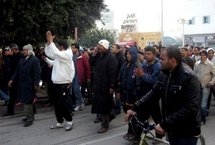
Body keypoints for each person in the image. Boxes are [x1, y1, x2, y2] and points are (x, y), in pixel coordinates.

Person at [125, 46, 202, 145]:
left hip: (186, 131)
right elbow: (153, 93)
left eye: (162, 59)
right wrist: (135, 107)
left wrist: (165, 124)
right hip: (171, 127)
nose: (159, 61)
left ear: (172, 60)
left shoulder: (190, 78)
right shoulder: (164, 74)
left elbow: (191, 107)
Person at [44, 31, 75, 131]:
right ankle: (60, 122)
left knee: (63, 104)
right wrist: (48, 44)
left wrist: (51, 42)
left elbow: (55, 53)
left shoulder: (67, 54)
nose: (57, 48)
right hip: (56, 83)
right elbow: (52, 56)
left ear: (61, 47)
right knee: (56, 104)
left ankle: (69, 121)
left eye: (58, 46)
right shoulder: (61, 55)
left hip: (64, 84)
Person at [8, 44, 40, 127]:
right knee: (25, 101)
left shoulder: (34, 60)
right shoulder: (22, 60)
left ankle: (29, 119)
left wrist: (36, 84)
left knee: (28, 102)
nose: (23, 51)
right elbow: (17, 71)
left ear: (29, 50)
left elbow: (37, 73)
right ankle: (29, 117)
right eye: (23, 50)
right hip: (22, 84)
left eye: (25, 50)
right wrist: (12, 79)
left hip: (30, 85)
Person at [91, 39, 117, 133]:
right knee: (100, 106)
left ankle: (104, 125)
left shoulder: (111, 57)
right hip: (98, 85)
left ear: (105, 47)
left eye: (100, 47)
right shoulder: (99, 55)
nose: (98, 48)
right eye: (98, 46)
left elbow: (113, 73)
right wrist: (94, 54)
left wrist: (111, 86)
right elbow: (91, 63)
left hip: (106, 86)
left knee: (104, 107)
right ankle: (109, 117)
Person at [193, 49, 215, 125]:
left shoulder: (210, 64)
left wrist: (211, 83)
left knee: (203, 104)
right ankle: (200, 117)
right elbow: (194, 74)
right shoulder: (197, 63)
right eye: (201, 55)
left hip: (206, 86)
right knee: (197, 104)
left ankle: (203, 119)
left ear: (206, 56)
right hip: (198, 86)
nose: (202, 57)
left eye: (203, 55)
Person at [71, 43, 90, 111]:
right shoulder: (70, 56)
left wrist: (88, 77)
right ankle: (79, 103)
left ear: (77, 49)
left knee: (76, 89)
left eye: (73, 48)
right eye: (71, 48)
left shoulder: (82, 56)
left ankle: (80, 103)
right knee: (73, 90)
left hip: (78, 75)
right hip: (71, 75)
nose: (72, 49)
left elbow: (87, 67)